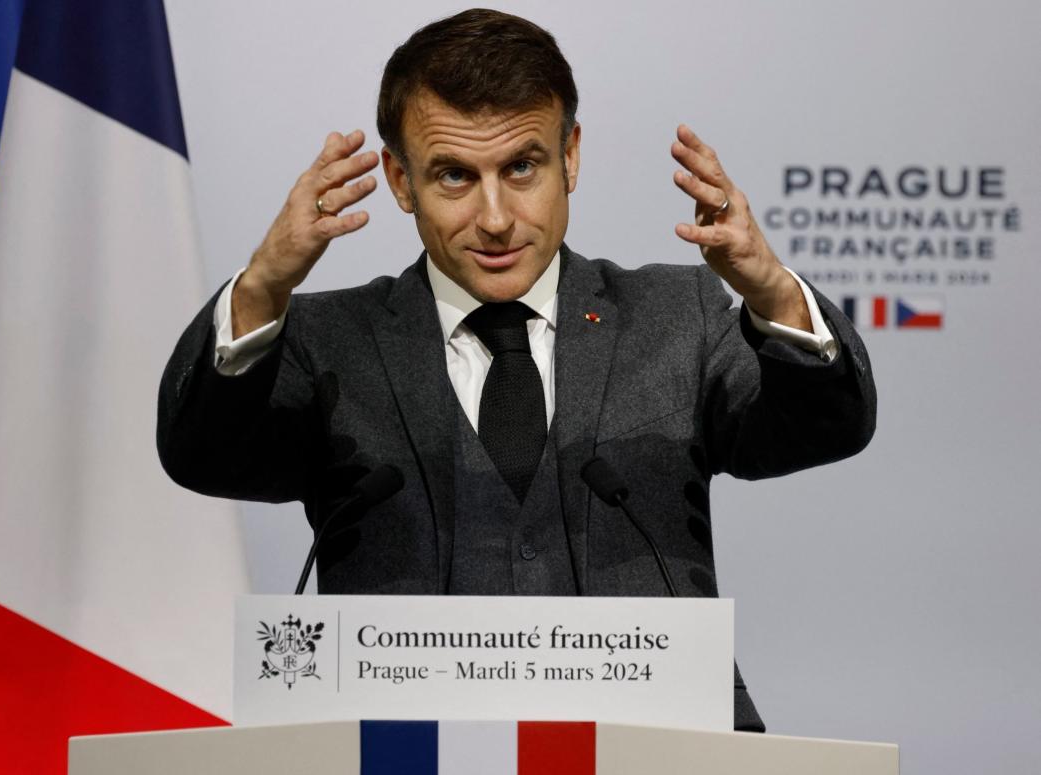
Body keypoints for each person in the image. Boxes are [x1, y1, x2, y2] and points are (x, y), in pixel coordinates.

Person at [156, 9, 875, 732]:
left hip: (657, 749)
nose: (495, 217)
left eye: (522, 167)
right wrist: (259, 292)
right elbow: (204, 455)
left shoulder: (674, 314)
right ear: (401, 181)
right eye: (455, 176)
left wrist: (774, 291)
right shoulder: (328, 339)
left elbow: (825, 427)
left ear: (572, 158)